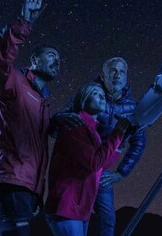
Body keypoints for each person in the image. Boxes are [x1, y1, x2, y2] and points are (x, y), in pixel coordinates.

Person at [0, 0, 58, 235]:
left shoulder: (42, 103)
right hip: (9, 181)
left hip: (25, 187)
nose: (57, 61)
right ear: (34, 60)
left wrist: (38, 191)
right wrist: (24, 22)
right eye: (51, 56)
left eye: (59, 58)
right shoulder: (15, 82)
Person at [53, 57, 148, 236]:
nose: (117, 75)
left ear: (127, 77)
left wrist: (121, 172)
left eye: (122, 72)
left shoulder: (133, 108)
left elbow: (139, 142)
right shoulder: (88, 96)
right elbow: (64, 121)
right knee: (79, 214)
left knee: (108, 219)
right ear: (103, 76)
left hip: (103, 168)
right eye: (112, 71)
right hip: (80, 165)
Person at [44, 82, 131, 236]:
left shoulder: (92, 131)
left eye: (103, 95)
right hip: (67, 206)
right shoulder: (76, 124)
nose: (102, 97)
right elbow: (93, 163)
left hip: (79, 207)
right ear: (83, 100)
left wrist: (118, 147)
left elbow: (99, 166)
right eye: (96, 93)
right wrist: (116, 135)